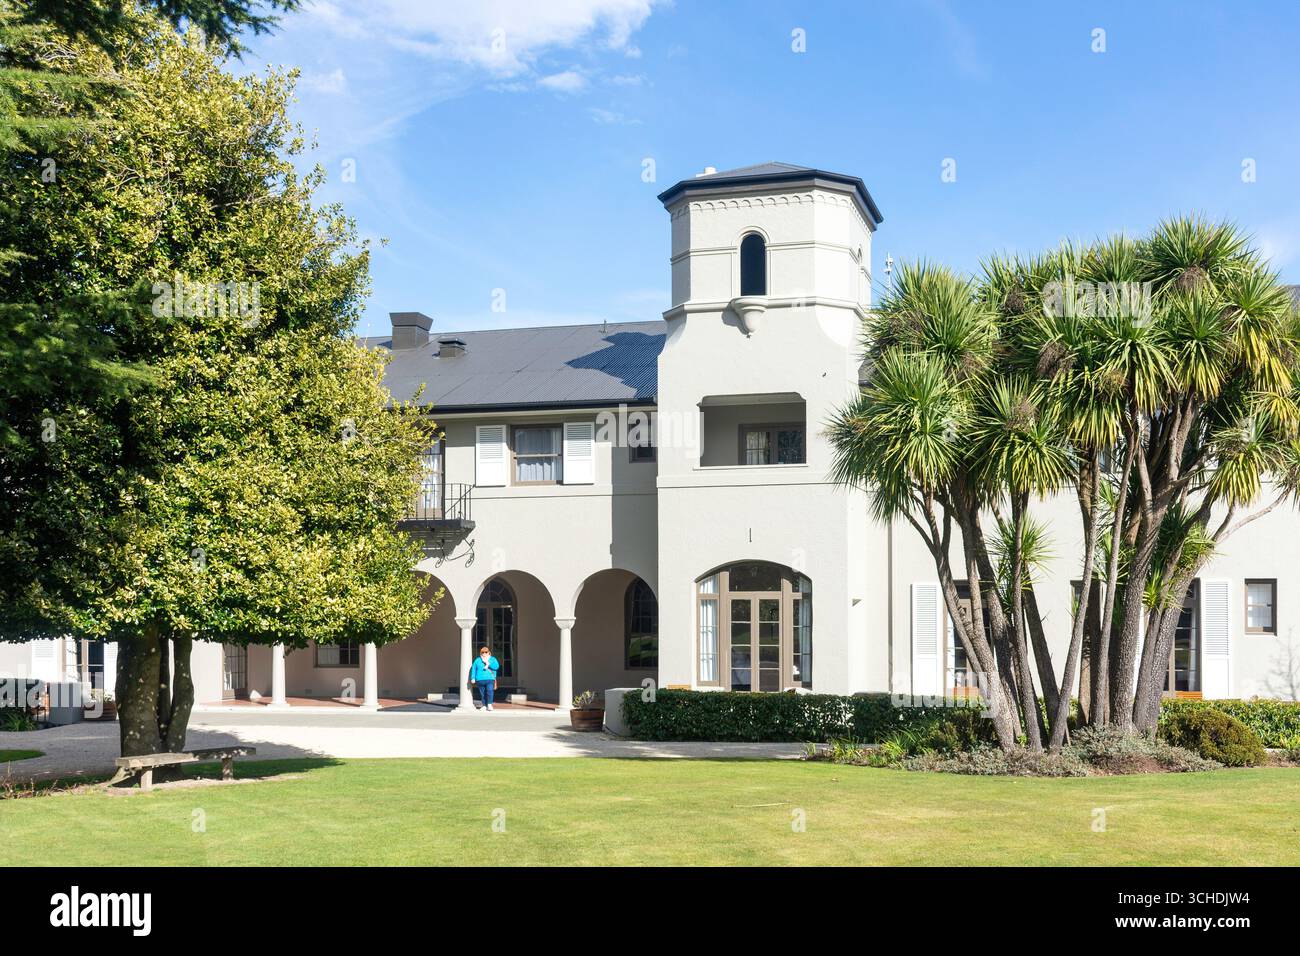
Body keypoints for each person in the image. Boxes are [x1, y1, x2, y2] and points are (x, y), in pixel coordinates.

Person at [470, 645, 500, 711]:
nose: (484, 654)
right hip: (480, 679)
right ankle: (484, 705)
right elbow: (473, 669)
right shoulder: (477, 660)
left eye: (486, 652)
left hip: (490, 678)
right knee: (482, 693)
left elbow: (496, 667)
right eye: (482, 652)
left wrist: (488, 664)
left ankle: (489, 704)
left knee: (490, 691)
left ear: (489, 652)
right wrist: (473, 678)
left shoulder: (492, 659)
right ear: (480, 653)